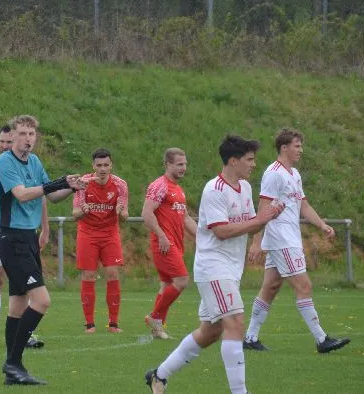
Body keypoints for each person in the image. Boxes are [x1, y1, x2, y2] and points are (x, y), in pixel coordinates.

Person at [145, 135, 284, 394]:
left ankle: (159, 375)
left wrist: (269, 216)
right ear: (233, 161)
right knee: (235, 321)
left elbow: (250, 223)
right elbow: (221, 232)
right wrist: (260, 220)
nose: (254, 164)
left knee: (210, 332)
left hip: (231, 268)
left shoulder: (245, 188)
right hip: (214, 266)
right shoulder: (214, 189)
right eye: (249, 159)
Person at [0, 115, 86, 386]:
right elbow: (22, 194)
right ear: (12, 136)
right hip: (13, 238)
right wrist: (57, 183)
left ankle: (13, 371)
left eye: (32, 134)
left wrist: (69, 187)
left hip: (28, 239)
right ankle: (13, 363)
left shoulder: (34, 161)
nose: (28, 139)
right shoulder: (5, 162)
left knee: (18, 304)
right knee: (42, 300)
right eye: (23, 134)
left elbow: (51, 196)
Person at [243, 128, 350, 354]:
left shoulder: (294, 174)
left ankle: (250, 338)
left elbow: (304, 205)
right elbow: (262, 208)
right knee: (304, 286)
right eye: (297, 146)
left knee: (271, 287)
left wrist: (321, 225)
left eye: (301, 146)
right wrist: (256, 241)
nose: (301, 150)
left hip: (288, 238)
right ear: (284, 148)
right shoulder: (274, 174)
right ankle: (321, 339)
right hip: (282, 239)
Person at [0, 124, 47, 349]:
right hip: (0, 229)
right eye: (2, 142)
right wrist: (2, 223)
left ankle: (25, 334)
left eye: (8, 141)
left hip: (24, 230)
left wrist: (45, 228)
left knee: (25, 283)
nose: (5, 146)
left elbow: (40, 196)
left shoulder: (30, 163)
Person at [72, 148, 129, 333]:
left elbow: (125, 215)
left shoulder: (120, 185)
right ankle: (89, 324)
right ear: (93, 166)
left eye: (106, 165)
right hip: (87, 233)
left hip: (110, 234)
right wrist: (83, 210)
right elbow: (75, 213)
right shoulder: (84, 183)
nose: (103, 169)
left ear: (111, 165)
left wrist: (121, 212)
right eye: (99, 165)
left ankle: (113, 323)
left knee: (112, 273)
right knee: (89, 275)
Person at [142, 148, 197, 340]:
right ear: (167, 164)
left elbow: (185, 218)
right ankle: (154, 317)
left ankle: (157, 330)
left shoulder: (178, 189)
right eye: (179, 164)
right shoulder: (160, 185)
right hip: (164, 243)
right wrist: (161, 235)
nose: (183, 168)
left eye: (185, 164)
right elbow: (146, 213)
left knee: (166, 285)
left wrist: (202, 237)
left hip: (175, 242)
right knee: (182, 280)